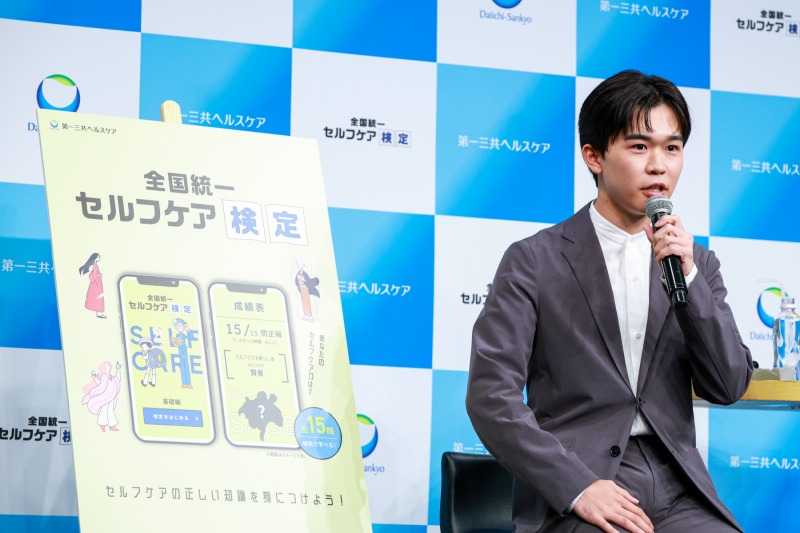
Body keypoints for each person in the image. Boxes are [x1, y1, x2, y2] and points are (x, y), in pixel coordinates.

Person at [465, 70, 753, 533]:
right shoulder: (534, 260)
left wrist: (690, 280)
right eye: (640, 147)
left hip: (677, 485)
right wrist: (577, 487)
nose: (659, 166)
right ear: (594, 156)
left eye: (672, 148)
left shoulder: (697, 263)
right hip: (582, 480)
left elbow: (729, 385)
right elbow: (490, 396)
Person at [79, 252, 106, 318]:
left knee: (97, 296)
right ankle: (99, 312)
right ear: (95, 257)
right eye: (98, 257)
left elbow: (95, 273)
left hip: (97, 282)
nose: (99, 258)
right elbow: (94, 274)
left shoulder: (95, 264)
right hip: (96, 283)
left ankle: (99, 312)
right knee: (98, 296)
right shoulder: (94, 265)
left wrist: (99, 274)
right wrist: (98, 275)